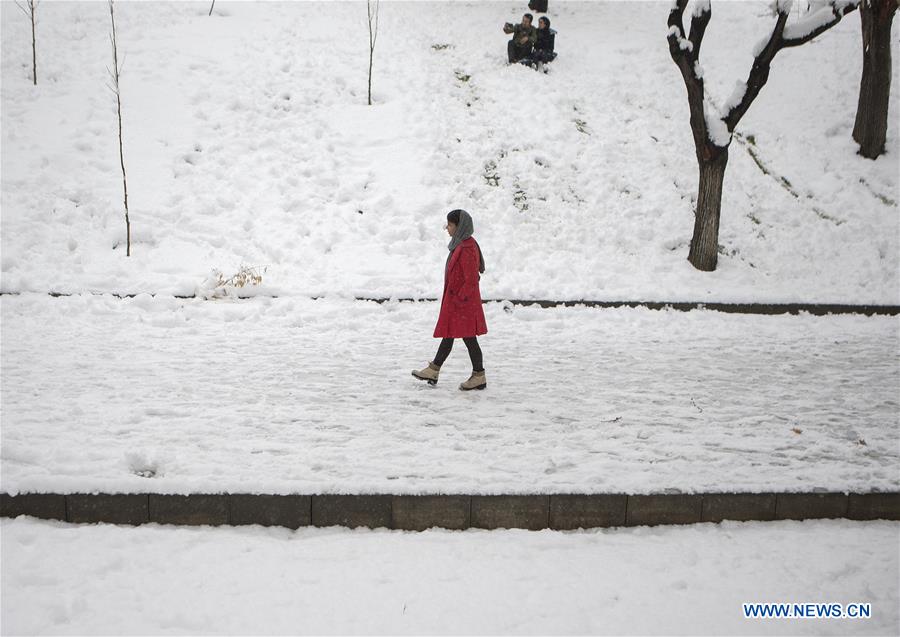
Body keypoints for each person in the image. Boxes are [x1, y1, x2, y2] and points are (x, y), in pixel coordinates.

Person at [412, 209, 488, 391]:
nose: (447, 228)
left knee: (468, 338)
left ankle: (478, 375)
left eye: (450, 225)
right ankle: (434, 369)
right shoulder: (460, 244)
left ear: (459, 226)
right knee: (450, 335)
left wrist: (460, 299)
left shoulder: (467, 248)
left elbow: (470, 279)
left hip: (463, 303)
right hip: (457, 301)